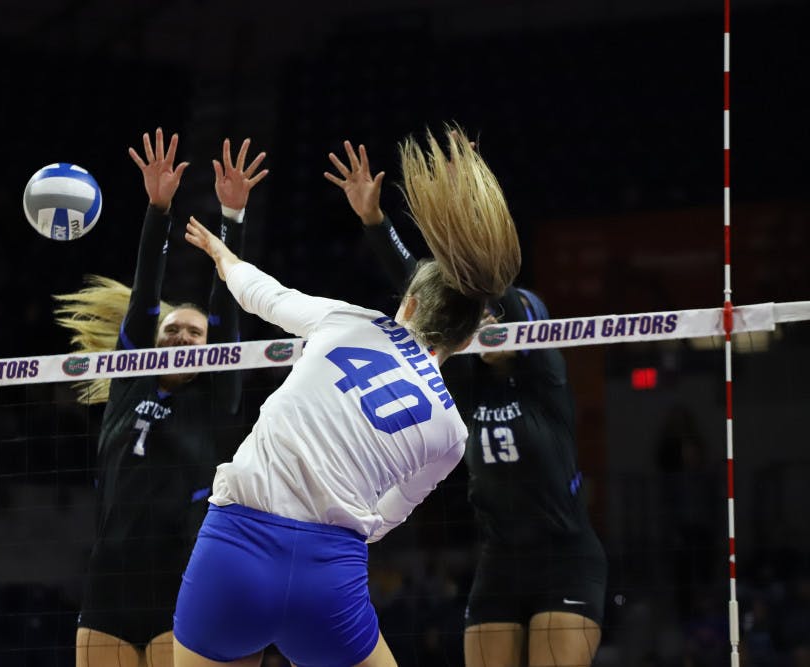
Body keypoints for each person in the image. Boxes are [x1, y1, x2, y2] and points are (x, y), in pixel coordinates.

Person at [172, 125, 521, 667]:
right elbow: (390, 516)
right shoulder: (451, 433)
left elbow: (263, 294)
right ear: (467, 338)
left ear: (406, 306)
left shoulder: (351, 321)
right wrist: (350, 522)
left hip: (235, 550)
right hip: (328, 573)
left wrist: (223, 251)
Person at [326, 139, 607, 667]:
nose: (492, 325)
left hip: (565, 558)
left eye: (503, 320)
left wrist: (465, 203)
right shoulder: (462, 381)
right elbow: (423, 287)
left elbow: (495, 284)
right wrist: (373, 219)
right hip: (498, 561)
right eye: (485, 321)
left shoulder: (543, 379)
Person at [55, 127, 267, 667]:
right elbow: (145, 292)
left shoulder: (218, 396)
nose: (180, 338)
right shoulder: (130, 384)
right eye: (171, 330)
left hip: (183, 585)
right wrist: (157, 209)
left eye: (194, 333)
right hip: (108, 588)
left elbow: (228, 307)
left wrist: (231, 223)